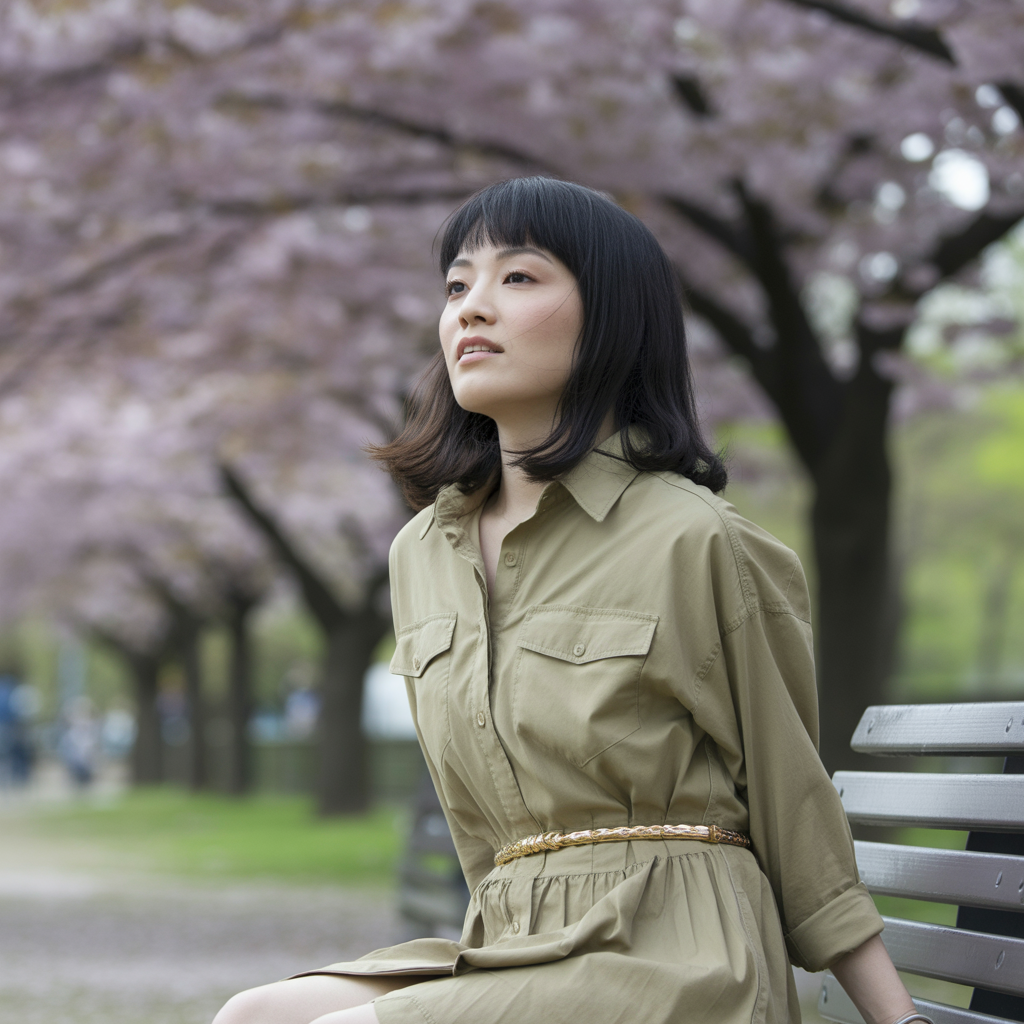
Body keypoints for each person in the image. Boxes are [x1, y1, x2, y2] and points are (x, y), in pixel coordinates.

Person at [214, 178, 923, 1024]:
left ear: (611, 319)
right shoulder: (422, 556)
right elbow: (481, 827)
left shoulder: (694, 539)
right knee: (254, 1015)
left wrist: (898, 1019)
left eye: (518, 278)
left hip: (680, 956)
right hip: (516, 942)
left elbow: (794, 805)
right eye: (456, 285)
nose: (472, 308)